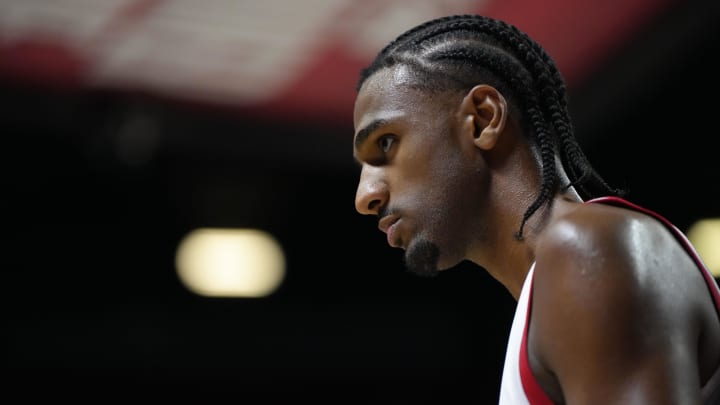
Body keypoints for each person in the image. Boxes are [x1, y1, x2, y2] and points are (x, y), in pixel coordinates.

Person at [350, 14, 720, 404]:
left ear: (482, 119)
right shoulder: (555, 284)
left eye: (386, 144)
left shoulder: (588, 248)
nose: (364, 195)